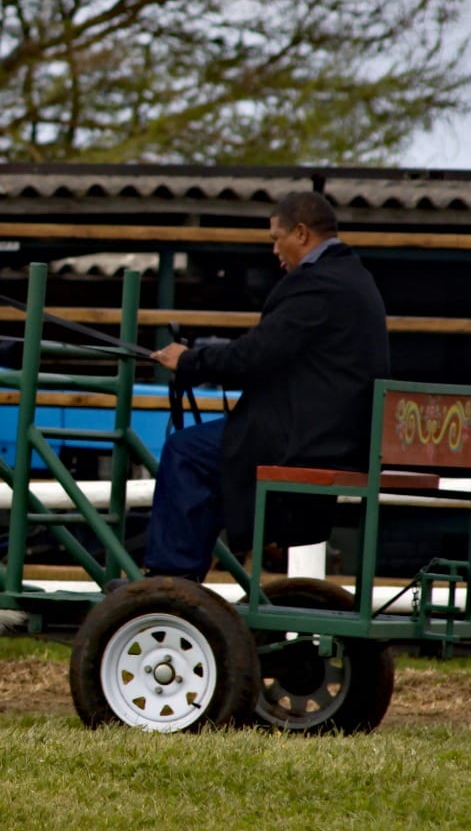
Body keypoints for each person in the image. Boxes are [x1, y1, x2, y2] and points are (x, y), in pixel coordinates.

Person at [142, 190, 390, 581]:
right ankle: (183, 571)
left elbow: (255, 355)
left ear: (302, 233)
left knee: (185, 451)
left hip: (307, 439)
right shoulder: (354, 277)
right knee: (209, 451)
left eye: (277, 238)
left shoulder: (317, 285)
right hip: (339, 435)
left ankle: (170, 577)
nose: (275, 250)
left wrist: (189, 361)